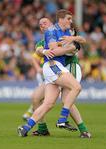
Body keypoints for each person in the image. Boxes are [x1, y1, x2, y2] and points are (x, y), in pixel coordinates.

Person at [17, 10, 90, 138]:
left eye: (45, 23)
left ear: (53, 22)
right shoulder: (51, 32)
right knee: (75, 88)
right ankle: (62, 120)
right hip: (54, 66)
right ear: (60, 20)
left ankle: (25, 128)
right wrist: (67, 47)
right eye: (40, 24)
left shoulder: (66, 32)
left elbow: (80, 41)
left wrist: (72, 40)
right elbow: (45, 50)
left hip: (65, 66)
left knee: (49, 103)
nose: (43, 26)